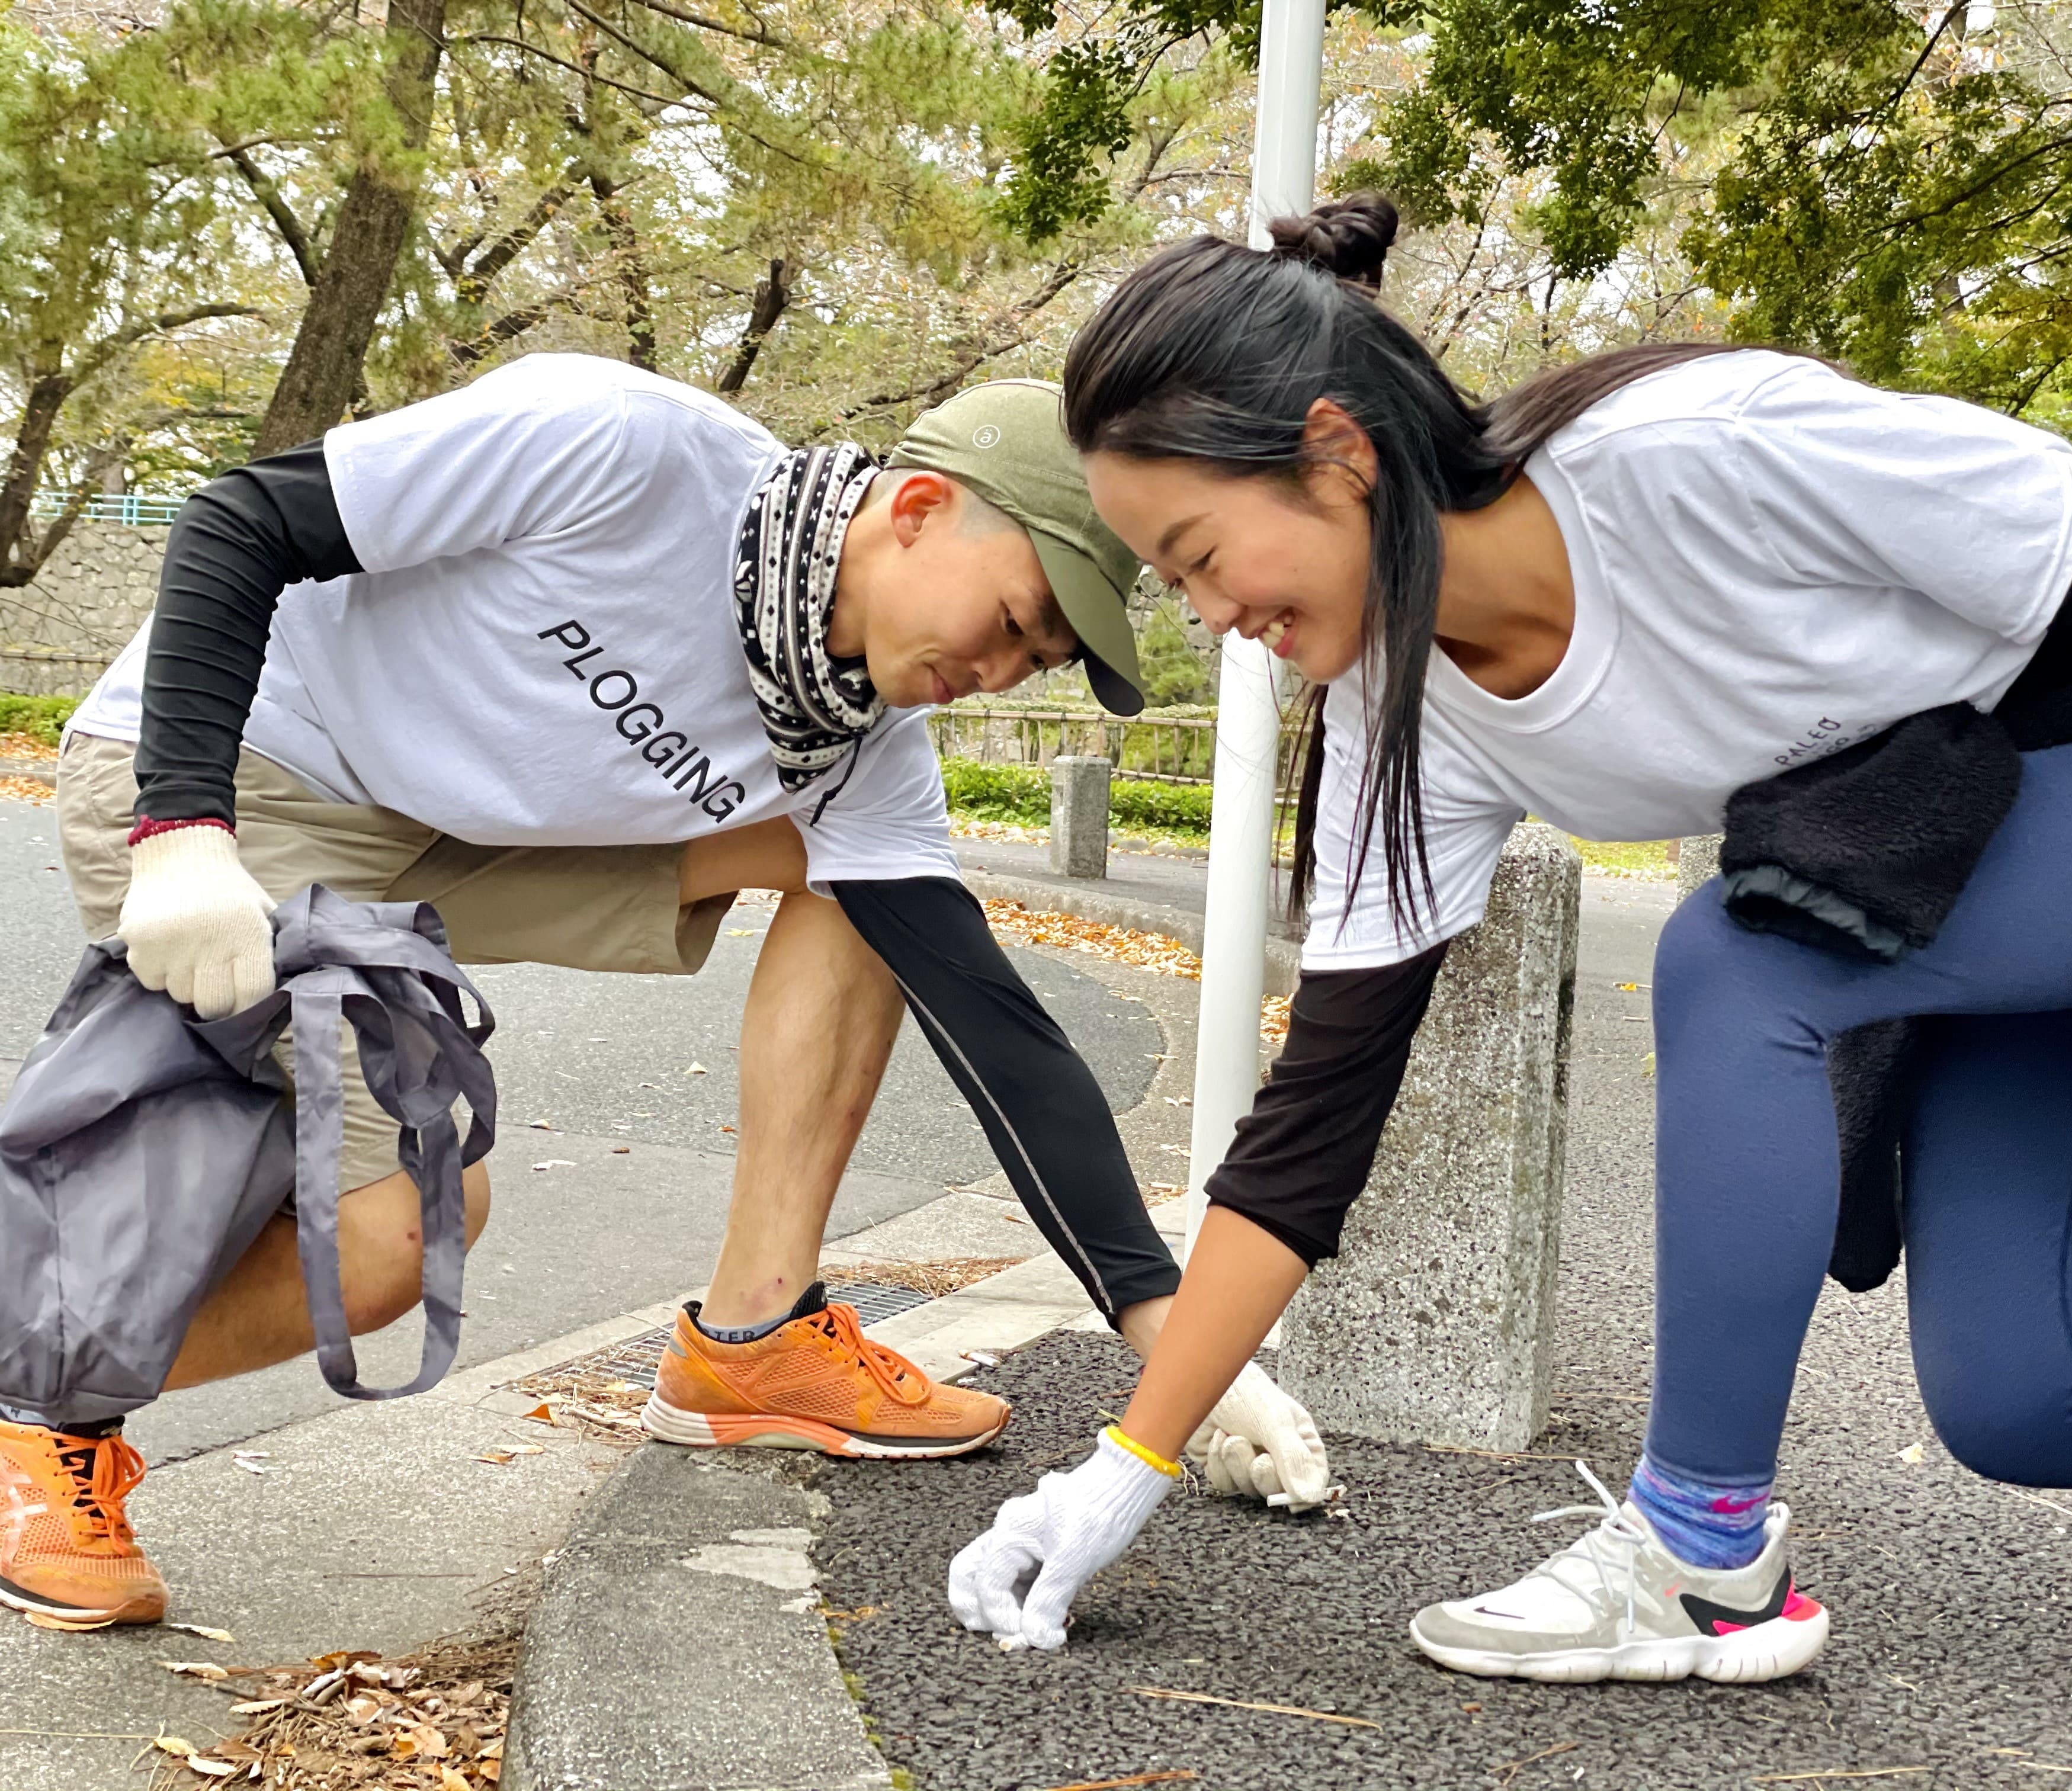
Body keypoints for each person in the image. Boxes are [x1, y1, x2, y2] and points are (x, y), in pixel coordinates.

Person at [944, 194, 2072, 1676]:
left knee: (1737, 957)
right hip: (1957, 846)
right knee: (2024, 1397)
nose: (1205, 615)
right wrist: (1122, 1467)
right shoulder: (1403, 723)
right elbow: (1312, 1129)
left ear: (1337, 454)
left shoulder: (1692, 451)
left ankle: (1704, 1553)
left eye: (1195, 554)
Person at [0, 355, 1331, 1632]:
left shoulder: (868, 754)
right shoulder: (622, 450)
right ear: (920, 512)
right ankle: (36, 1404)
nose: (1001, 672)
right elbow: (243, 520)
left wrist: (1175, 1340)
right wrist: (184, 826)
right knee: (399, 1237)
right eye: (1016, 623)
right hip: (245, 779)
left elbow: (998, 1026)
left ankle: (753, 1335)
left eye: (1037, 665)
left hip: (456, 838)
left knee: (864, 883)